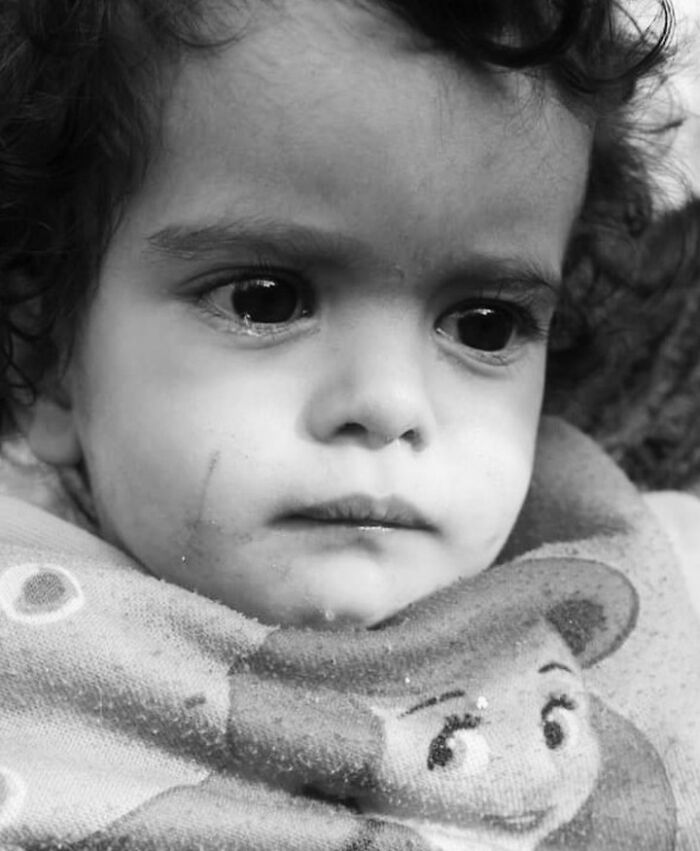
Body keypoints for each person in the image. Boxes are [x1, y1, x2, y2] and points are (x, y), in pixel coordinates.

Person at [0, 0, 697, 848]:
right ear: (51, 360)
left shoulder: (642, 569)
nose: (388, 403)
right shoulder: (29, 650)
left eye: (485, 325)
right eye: (266, 300)